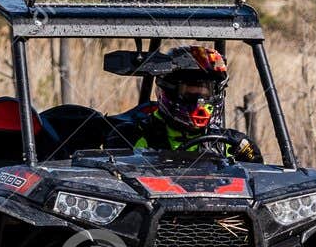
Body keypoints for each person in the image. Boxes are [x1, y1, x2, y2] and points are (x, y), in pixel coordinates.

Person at [110, 45, 261, 161]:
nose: (199, 103)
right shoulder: (130, 137)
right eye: (189, 93)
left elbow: (262, 182)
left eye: (204, 93)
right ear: (165, 91)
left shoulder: (232, 145)